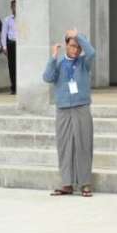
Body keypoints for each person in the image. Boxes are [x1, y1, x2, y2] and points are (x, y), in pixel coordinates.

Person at [43, 27, 96, 196]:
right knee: (64, 146)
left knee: (84, 144)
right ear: (66, 45)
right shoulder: (58, 63)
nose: (76, 50)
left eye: (78, 47)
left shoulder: (84, 62)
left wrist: (77, 36)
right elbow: (47, 77)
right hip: (63, 108)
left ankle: (85, 183)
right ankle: (67, 183)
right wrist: (53, 57)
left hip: (81, 107)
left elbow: (92, 53)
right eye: (73, 45)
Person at [3, 0, 19, 93]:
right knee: (12, 67)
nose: (16, 8)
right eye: (14, 6)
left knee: (22, 67)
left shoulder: (24, 18)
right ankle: (13, 87)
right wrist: (4, 47)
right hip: (11, 44)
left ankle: (21, 87)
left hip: (21, 46)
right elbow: (3, 34)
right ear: (11, 7)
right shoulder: (7, 19)